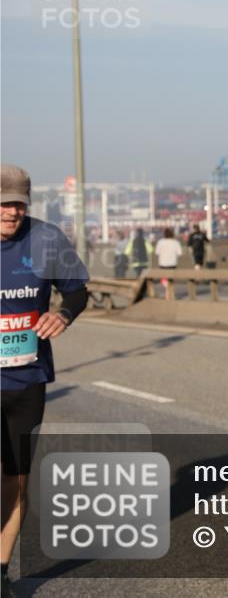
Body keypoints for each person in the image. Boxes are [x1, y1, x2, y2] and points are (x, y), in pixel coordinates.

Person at [1, 165, 89, 598]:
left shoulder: (47, 239)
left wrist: (64, 313)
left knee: (16, 479)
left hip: (27, 380)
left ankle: (0, 571)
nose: (11, 212)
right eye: (3, 203)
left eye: (18, 203)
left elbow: (77, 290)